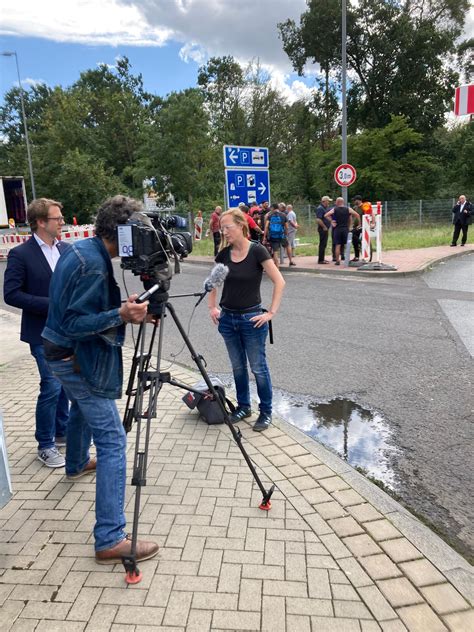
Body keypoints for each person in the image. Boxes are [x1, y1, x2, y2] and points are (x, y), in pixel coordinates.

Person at [42, 195, 159, 564]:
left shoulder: (82, 250)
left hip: (58, 352)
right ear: (123, 232)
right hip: (72, 357)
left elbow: (79, 307)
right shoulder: (93, 264)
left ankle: (75, 462)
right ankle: (109, 538)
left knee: (81, 408)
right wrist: (122, 315)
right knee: (112, 441)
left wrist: (122, 309)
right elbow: (76, 322)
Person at [4, 198, 70, 468]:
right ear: (41, 222)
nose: (63, 222)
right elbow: (11, 294)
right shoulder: (21, 254)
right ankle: (45, 443)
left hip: (68, 332)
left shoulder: (66, 249)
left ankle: (62, 431)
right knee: (51, 385)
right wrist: (50, 304)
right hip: (41, 333)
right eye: (58, 218)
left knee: (65, 383)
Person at [208, 208, 285, 432]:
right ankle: (243, 407)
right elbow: (213, 283)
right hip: (228, 320)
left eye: (227, 227)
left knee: (258, 368)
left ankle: (266, 411)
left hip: (253, 320)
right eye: (222, 228)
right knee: (238, 367)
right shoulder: (224, 254)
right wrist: (212, 307)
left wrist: (270, 313)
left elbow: (279, 281)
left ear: (241, 225)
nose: (224, 232)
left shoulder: (257, 252)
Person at [324, 197, 360, 265]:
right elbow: (357, 215)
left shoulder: (334, 209)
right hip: (345, 228)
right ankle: (347, 259)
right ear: (343, 202)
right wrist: (358, 224)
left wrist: (332, 221)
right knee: (347, 244)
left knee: (338, 245)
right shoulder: (348, 209)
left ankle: (337, 261)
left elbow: (326, 215)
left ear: (337, 202)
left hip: (337, 229)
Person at [315, 195, 333, 264]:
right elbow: (318, 219)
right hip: (323, 229)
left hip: (325, 228)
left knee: (324, 244)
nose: (329, 202)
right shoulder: (320, 208)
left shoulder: (324, 208)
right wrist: (324, 227)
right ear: (324, 201)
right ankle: (320, 260)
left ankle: (322, 258)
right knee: (322, 244)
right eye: (328, 201)